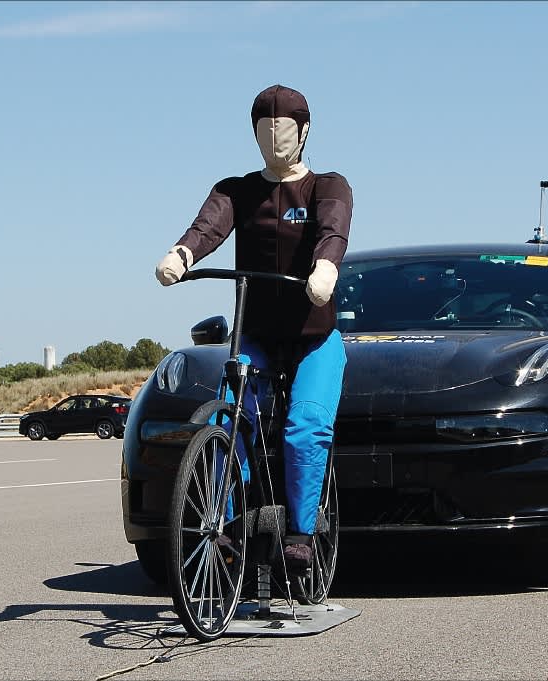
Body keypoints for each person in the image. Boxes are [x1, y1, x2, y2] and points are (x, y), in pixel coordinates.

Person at [154, 84, 352, 574]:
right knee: (226, 420)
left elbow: (333, 228)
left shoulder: (327, 186)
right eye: (265, 131)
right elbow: (209, 226)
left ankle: (302, 534)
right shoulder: (237, 190)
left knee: (305, 428)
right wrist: (183, 253)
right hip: (257, 335)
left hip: (313, 338)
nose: (274, 140)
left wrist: (325, 266)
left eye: (284, 130)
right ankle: (223, 525)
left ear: (304, 132)